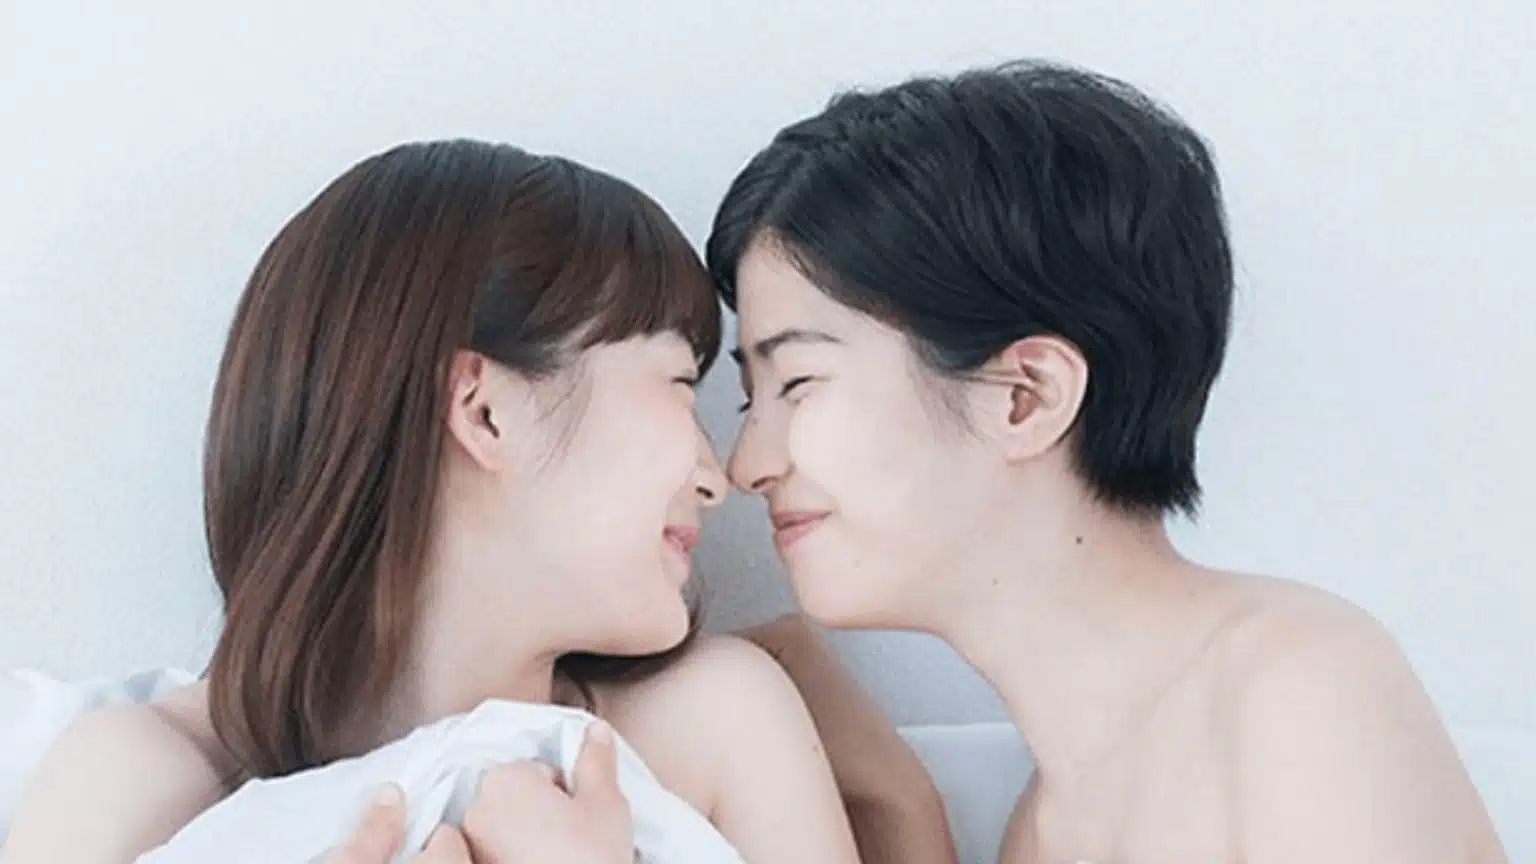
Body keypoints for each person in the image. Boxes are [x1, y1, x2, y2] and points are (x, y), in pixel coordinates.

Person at [707, 60, 1508, 863]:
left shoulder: (1296, 686)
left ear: (1025, 396)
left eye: (797, 383)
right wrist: (901, 807)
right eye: (750, 400)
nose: (747, 465)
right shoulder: (1043, 825)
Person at [3, 140, 863, 863]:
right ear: (484, 412)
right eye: (679, 384)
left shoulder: (717, 725)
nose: (716, 476)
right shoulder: (142, 780)